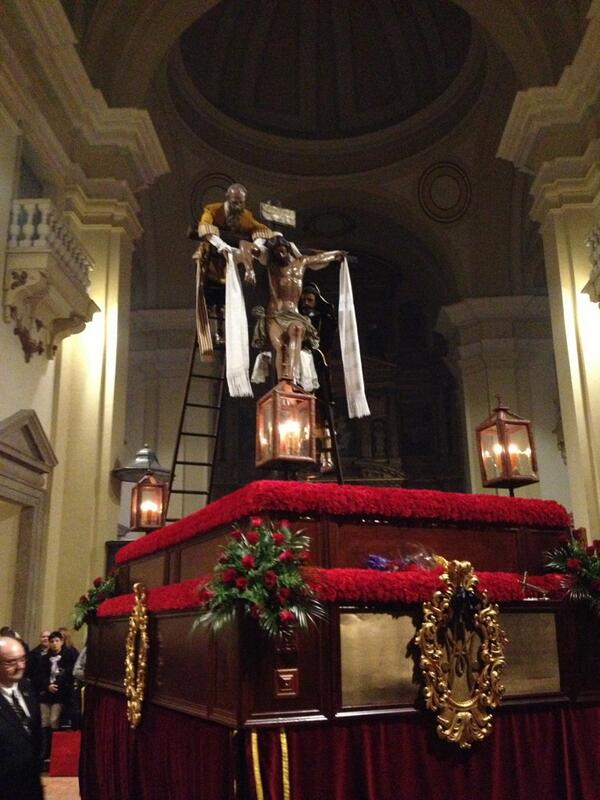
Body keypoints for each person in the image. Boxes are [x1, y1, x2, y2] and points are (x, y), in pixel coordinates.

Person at [193, 184, 265, 357]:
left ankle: (222, 332)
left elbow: (260, 229)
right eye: (234, 203)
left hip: (228, 263)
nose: (238, 207)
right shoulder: (213, 210)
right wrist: (221, 245)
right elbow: (205, 228)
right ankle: (210, 333)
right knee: (210, 296)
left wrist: (257, 246)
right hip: (211, 257)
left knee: (225, 298)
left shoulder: (246, 216)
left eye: (241, 203)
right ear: (228, 198)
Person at [0, 634, 44, 799]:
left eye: (22, 659)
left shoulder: (27, 687)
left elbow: (35, 734)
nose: (20, 666)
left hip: (31, 786)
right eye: (11, 662)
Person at [38, 631, 76, 763]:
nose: (54, 644)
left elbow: (69, 674)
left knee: (54, 720)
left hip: (60, 694)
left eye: (57, 641)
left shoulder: (68, 656)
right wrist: (47, 685)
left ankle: (54, 751)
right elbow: (41, 675)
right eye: (52, 641)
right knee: (45, 721)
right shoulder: (44, 658)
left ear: (62, 641)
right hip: (46, 694)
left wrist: (57, 684)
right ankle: (45, 750)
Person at [26, 630, 50, 698]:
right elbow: (28, 672)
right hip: (36, 689)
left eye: (48, 637)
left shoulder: (56, 653)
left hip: (51, 689)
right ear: (40, 639)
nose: (45, 638)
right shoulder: (33, 653)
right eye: (43, 637)